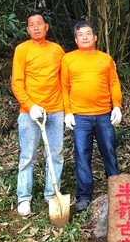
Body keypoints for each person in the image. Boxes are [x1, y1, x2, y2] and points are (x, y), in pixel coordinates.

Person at [61, 21, 123, 212]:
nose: (85, 37)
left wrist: (117, 106)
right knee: (82, 154)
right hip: (80, 116)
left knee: (109, 152)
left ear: (95, 37)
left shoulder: (105, 58)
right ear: (76, 39)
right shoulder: (68, 59)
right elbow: (65, 86)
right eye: (81, 34)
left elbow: (113, 83)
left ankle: (116, 191)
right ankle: (84, 196)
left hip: (104, 114)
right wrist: (68, 111)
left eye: (89, 33)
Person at [11, 11, 65, 217]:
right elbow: (17, 82)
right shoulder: (22, 50)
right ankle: (24, 198)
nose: (35, 27)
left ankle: (52, 194)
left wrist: (67, 111)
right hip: (29, 113)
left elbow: (67, 77)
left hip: (55, 110)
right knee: (27, 156)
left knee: (56, 154)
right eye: (31, 24)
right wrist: (30, 105)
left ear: (46, 26)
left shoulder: (57, 50)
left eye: (39, 23)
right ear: (27, 29)